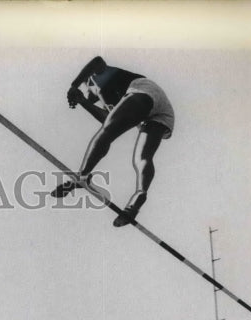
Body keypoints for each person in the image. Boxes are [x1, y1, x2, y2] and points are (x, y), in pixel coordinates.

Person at [51, 56, 175, 226]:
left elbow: (97, 61)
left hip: (143, 92)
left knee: (105, 134)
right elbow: (107, 119)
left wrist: (74, 85)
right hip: (160, 110)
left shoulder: (98, 76)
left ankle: (82, 176)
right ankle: (139, 196)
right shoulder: (110, 100)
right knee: (141, 158)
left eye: (90, 91)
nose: (91, 95)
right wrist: (82, 101)